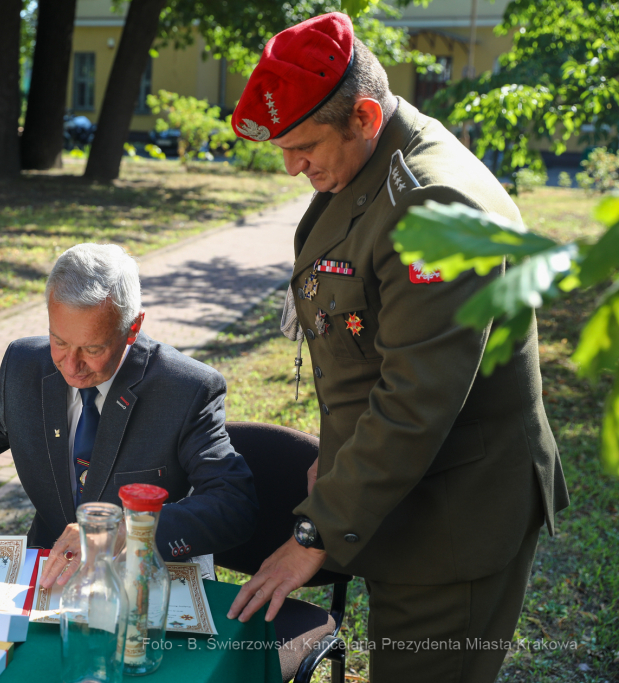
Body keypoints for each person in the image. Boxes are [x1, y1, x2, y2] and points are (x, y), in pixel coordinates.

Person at [225, 13, 569, 683]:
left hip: (454, 519)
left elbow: (416, 401)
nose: (292, 165)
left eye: (302, 145)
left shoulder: (432, 206)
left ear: (363, 115)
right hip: (404, 498)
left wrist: (311, 535)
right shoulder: (372, 163)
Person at [0, 243, 257, 588]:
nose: (71, 366)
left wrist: (124, 531)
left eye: (92, 349)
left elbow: (234, 504)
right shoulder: (24, 367)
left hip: (147, 583)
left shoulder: (186, 388)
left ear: (132, 328)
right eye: (59, 341)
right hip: (49, 578)